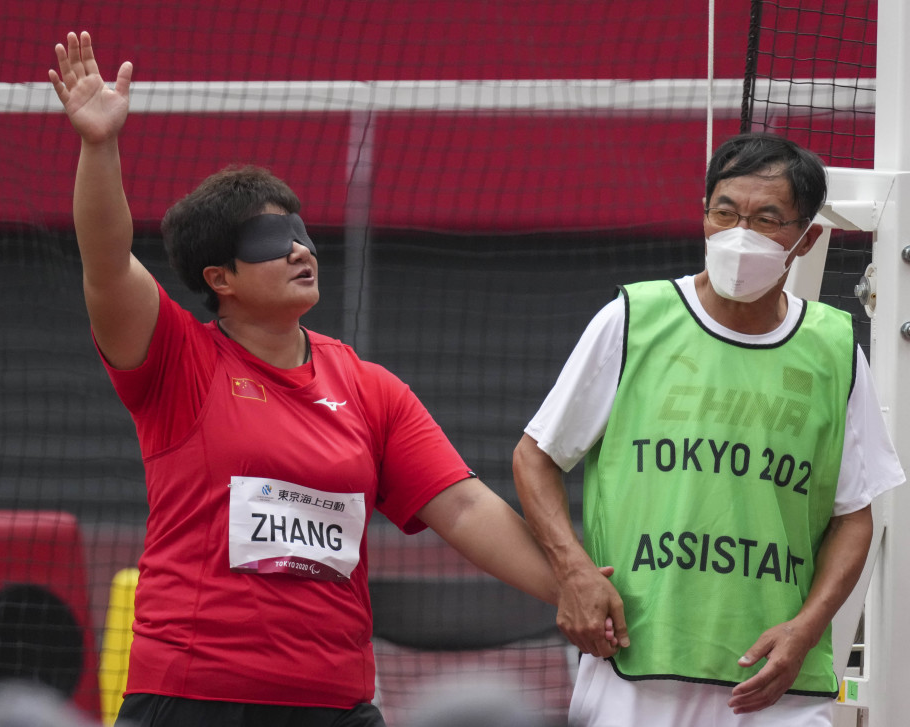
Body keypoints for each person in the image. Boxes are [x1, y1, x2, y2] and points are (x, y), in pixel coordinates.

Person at [48, 31, 570, 727]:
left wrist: (572, 585)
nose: (299, 249)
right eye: (269, 242)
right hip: (192, 698)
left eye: (299, 232)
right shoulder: (178, 361)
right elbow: (108, 262)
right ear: (220, 279)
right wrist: (98, 145)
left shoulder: (369, 388)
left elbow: (468, 510)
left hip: (331, 703)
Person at [513, 132, 905, 726]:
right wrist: (572, 570)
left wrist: (807, 628)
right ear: (704, 215)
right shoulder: (634, 319)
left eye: (767, 218)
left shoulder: (834, 347)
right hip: (636, 663)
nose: (740, 233)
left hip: (777, 683)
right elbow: (535, 456)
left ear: (807, 239)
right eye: (725, 212)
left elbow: (856, 514)